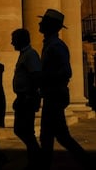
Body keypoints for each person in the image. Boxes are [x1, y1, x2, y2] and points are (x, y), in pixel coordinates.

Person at [38, 9, 91, 169]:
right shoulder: (50, 44)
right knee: (49, 135)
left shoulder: (56, 46)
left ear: (50, 26)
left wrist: (46, 78)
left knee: (58, 135)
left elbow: (66, 71)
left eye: (43, 21)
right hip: (52, 94)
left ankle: (86, 161)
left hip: (55, 95)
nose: (40, 23)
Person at [11, 28, 42, 169]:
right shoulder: (24, 54)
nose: (12, 43)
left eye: (14, 39)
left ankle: (36, 158)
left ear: (20, 40)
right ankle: (34, 160)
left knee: (24, 130)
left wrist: (28, 96)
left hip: (27, 98)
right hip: (23, 97)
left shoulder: (30, 55)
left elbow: (36, 76)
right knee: (23, 130)